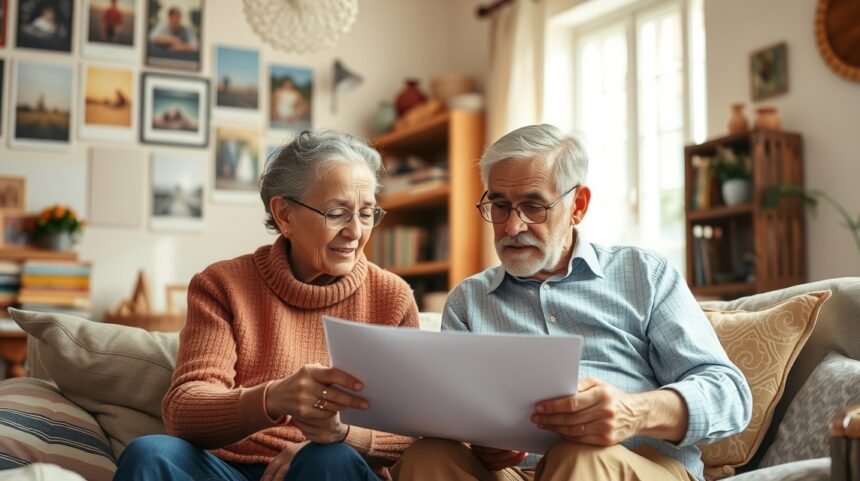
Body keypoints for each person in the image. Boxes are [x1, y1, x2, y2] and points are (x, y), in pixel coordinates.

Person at [392, 124, 752, 481]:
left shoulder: (645, 274)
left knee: (578, 455)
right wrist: (482, 445)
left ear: (577, 206)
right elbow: (457, 414)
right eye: (499, 205)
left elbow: (730, 395)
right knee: (429, 457)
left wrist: (635, 412)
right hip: (517, 473)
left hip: (633, 464)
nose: (512, 226)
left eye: (534, 206)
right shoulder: (468, 301)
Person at [114, 130, 420, 481]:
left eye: (366, 214)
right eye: (337, 213)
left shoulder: (391, 298)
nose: (355, 231)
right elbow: (184, 408)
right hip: (228, 469)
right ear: (284, 215)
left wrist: (340, 437)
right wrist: (273, 398)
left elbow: (413, 429)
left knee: (327, 459)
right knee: (150, 454)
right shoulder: (223, 285)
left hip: (329, 468)